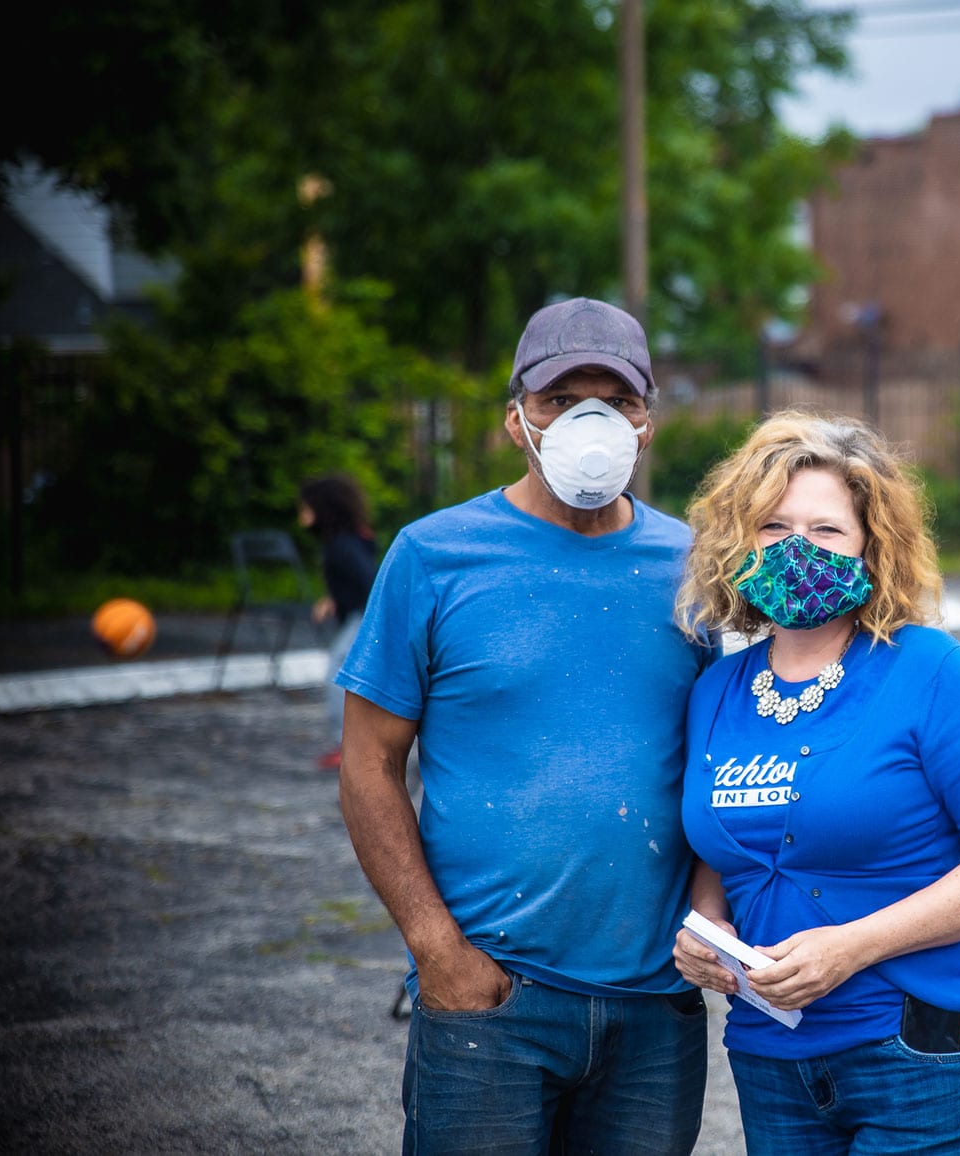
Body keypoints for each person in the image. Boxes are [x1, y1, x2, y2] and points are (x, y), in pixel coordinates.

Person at [334, 297, 717, 1155]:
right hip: (491, 1002)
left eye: (615, 401)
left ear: (647, 421)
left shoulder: (696, 570)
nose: (591, 420)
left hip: (656, 1011)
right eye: (559, 398)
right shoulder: (434, 557)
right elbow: (368, 764)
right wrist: (439, 952)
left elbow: (728, 757)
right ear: (517, 420)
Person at [671, 410, 960, 1156]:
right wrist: (705, 928)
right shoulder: (715, 691)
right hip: (770, 1057)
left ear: (873, 549)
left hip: (928, 1055)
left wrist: (850, 947)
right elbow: (719, 841)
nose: (796, 551)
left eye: (826, 531)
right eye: (773, 528)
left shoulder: (935, 675)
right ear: (738, 544)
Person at [297, 473, 378, 771]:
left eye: (305, 508)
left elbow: (369, 582)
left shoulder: (344, 545)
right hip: (357, 614)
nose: (301, 515)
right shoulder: (345, 541)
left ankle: (347, 746)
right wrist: (333, 599)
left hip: (363, 617)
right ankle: (349, 744)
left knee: (338, 674)